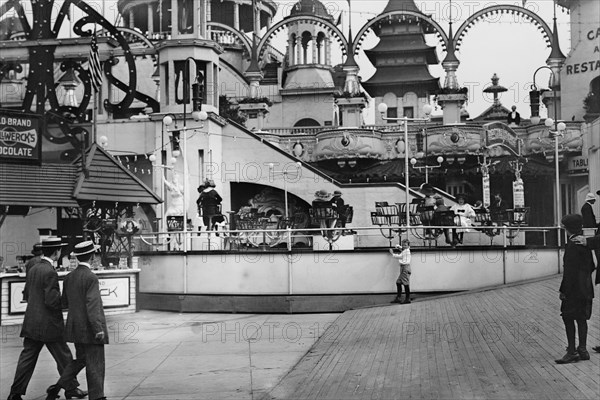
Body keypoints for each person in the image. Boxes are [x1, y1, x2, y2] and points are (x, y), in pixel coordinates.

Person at [6, 238, 86, 400]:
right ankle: (71, 389)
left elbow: (28, 294)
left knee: (27, 359)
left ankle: (15, 393)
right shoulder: (50, 271)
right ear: (57, 252)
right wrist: (69, 300)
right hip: (49, 324)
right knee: (64, 357)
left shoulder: (34, 268)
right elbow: (52, 301)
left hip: (32, 322)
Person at [46, 240, 108, 400]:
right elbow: (92, 305)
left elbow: (65, 303)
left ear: (78, 257)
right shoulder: (91, 277)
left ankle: (57, 386)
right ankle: (97, 396)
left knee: (80, 360)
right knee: (96, 362)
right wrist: (98, 328)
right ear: (93, 257)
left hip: (75, 327)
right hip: (90, 328)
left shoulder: (69, 277)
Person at [554, 214, 595, 364]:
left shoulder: (572, 244)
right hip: (585, 287)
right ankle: (582, 349)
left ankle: (571, 351)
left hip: (573, 289)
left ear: (566, 228)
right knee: (582, 318)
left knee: (568, 317)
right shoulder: (584, 243)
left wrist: (563, 290)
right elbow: (591, 266)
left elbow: (569, 272)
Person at [390, 240, 412, 304]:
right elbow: (402, 250)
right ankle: (399, 298)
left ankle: (407, 299)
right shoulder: (406, 250)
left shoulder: (406, 252)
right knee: (398, 282)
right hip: (404, 268)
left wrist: (392, 253)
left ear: (408, 246)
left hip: (405, 268)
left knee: (405, 283)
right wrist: (398, 247)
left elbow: (399, 256)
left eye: (405, 245)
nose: (404, 246)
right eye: (403, 245)